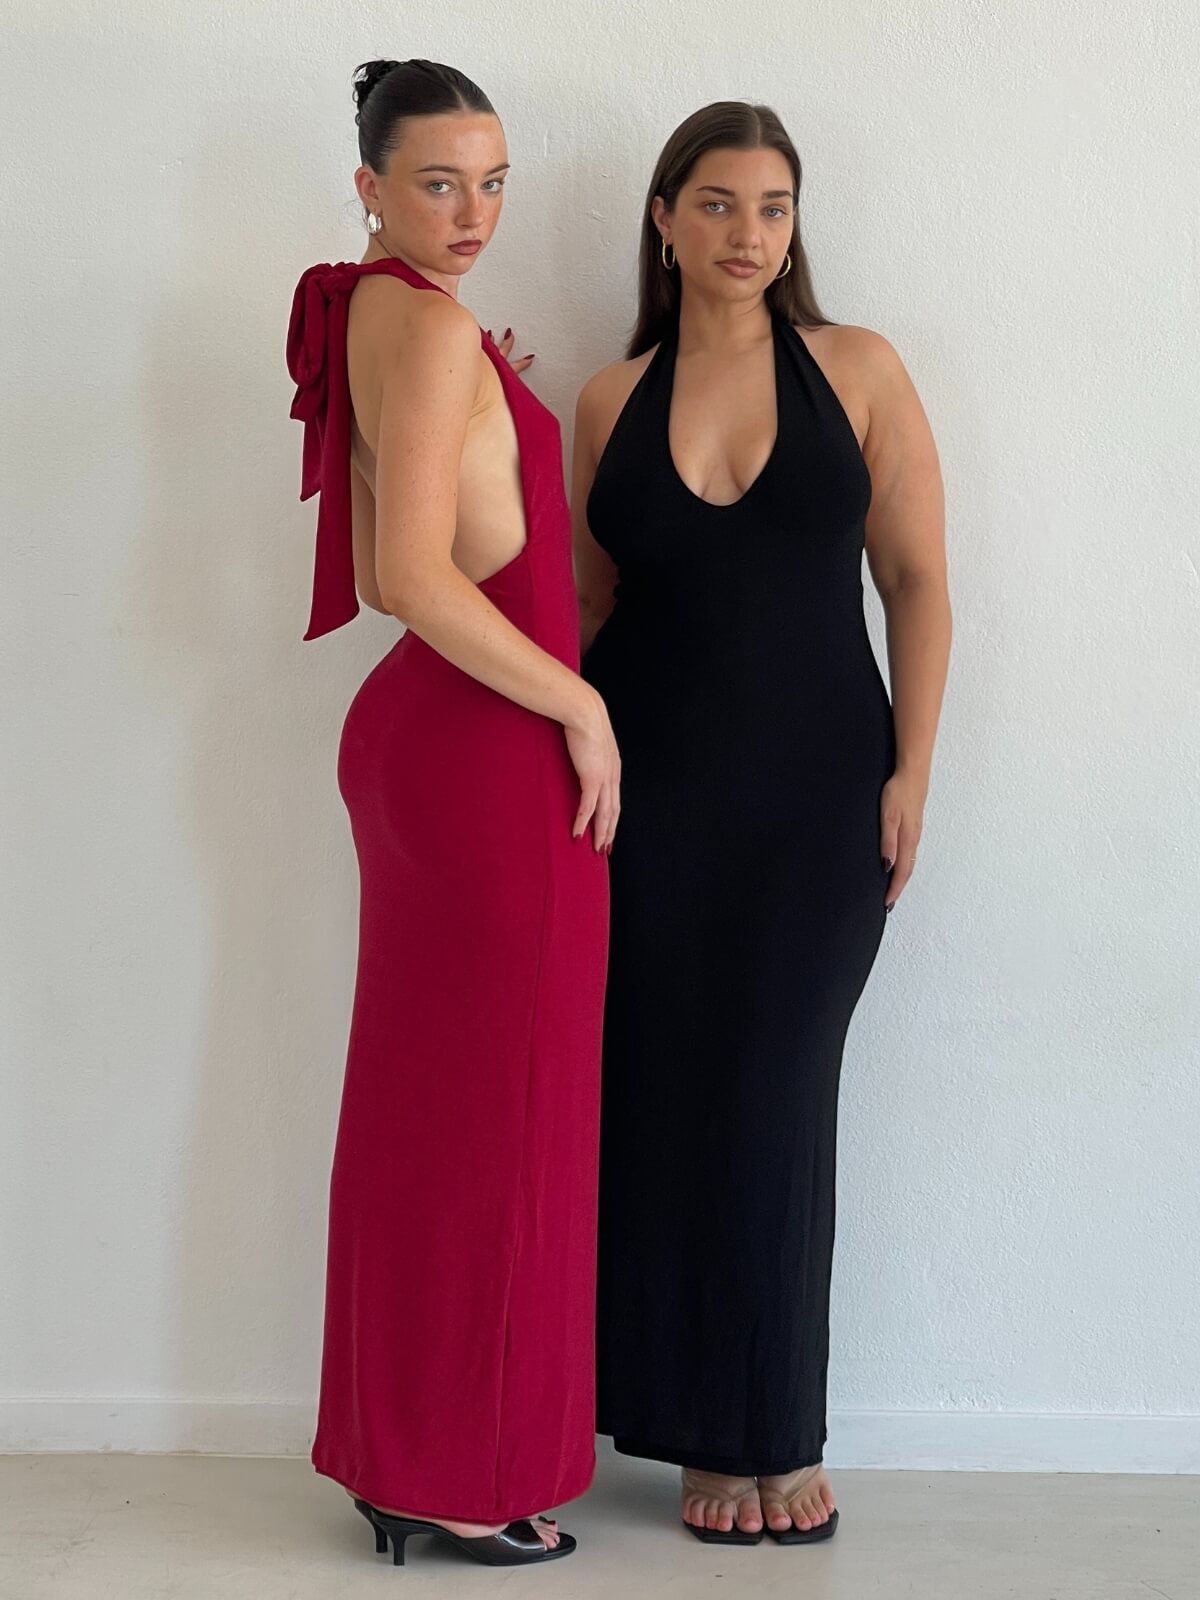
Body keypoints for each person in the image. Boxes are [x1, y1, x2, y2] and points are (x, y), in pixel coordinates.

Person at [573, 101, 951, 1545]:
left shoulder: (859, 368)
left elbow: (917, 581)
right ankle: (695, 1440)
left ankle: (774, 1430)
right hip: (650, 799)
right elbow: (587, 608)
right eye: (719, 204)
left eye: (774, 207)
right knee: (664, 1096)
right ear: (665, 219)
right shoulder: (608, 399)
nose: (748, 233)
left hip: (818, 799)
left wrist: (912, 770)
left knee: (779, 1094)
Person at [286, 58, 617, 1568]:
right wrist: (580, 705)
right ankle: (461, 1471)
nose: (472, 213)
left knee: (436, 1110)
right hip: (487, 754)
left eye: (492, 182)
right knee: (503, 1118)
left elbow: (386, 562)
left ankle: (403, 1450)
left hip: (433, 744)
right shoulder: (421, 329)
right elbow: (411, 579)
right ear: (369, 186)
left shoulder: (383, 314)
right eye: (437, 183)